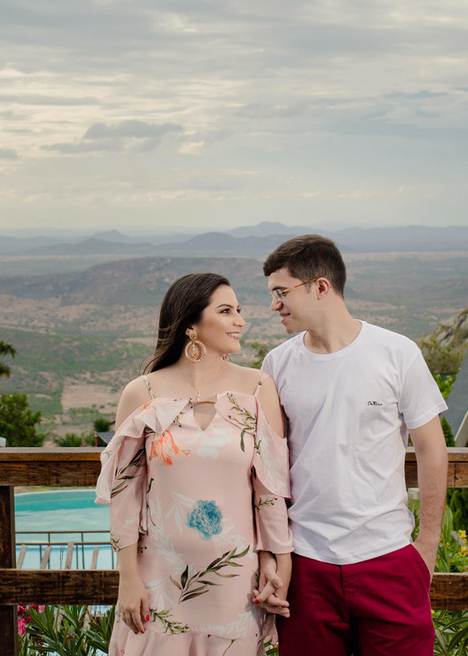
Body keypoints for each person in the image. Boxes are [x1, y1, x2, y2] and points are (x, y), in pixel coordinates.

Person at [259, 235, 448, 656]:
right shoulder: (277, 365)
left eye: (281, 292)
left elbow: (432, 449)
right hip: (307, 565)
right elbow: (268, 466)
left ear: (320, 287)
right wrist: (272, 555)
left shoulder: (397, 353)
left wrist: (427, 548)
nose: (274, 305)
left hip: (389, 558)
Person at [96, 272, 293, 656]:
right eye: (226, 311)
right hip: (157, 580)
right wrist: (127, 579)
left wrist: (277, 564)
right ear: (191, 326)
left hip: (237, 584)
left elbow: (269, 492)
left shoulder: (258, 389)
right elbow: (125, 496)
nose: (240, 321)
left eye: (239, 310)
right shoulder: (142, 393)